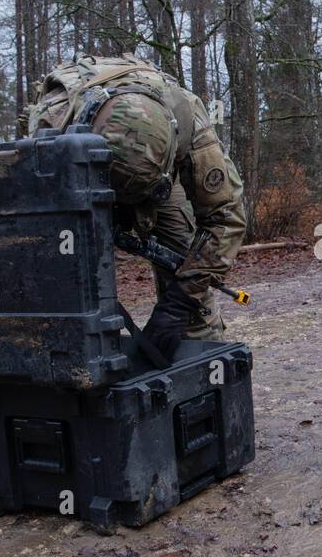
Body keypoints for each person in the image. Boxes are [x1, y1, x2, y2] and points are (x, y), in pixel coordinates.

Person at [28, 54, 246, 357]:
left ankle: (203, 359)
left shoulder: (189, 119)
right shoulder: (51, 126)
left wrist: (179, 303)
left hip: (161, 176)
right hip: (79, 175)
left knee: (186, 260)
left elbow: (226, 217)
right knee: (70, 267)